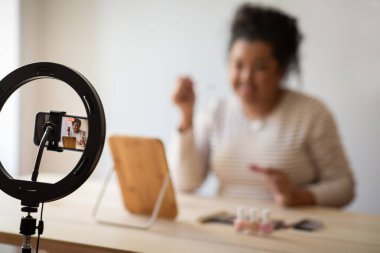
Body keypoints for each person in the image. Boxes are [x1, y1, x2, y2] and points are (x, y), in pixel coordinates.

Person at [170, 3, 354, 207]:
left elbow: (343, 187)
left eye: (260, 67)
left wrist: (297, 196)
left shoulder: (311, 114)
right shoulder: (215, 112)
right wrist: (186, 115)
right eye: (238, 65)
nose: (246, 78)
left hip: (289, 230)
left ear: (281, 70)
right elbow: (184, 184)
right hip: (226, 227)